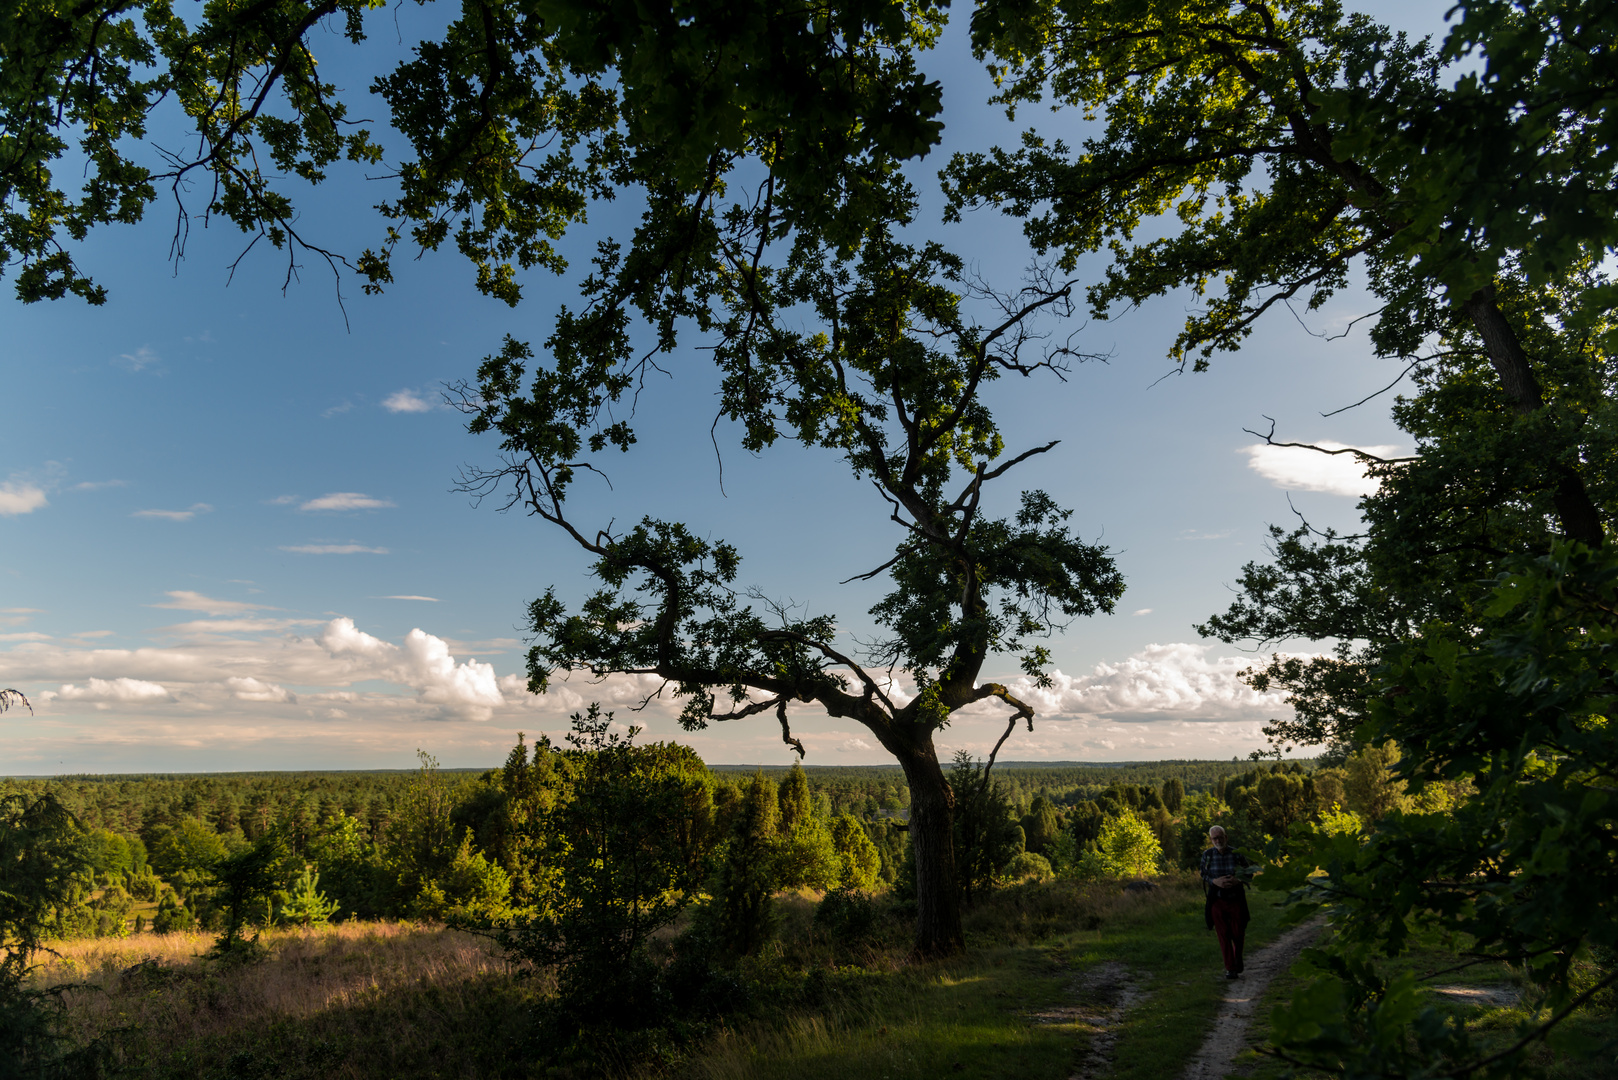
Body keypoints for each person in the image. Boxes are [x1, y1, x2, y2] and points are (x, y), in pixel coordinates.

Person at [1200, 825, 1252, 980]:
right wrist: (1215, 881)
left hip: (1235, 898)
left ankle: (1237, 960)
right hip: (1217, 899)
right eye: (1214, 838)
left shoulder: (1237, 854)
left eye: (1220, 837)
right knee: (1223, 934)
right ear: (1211, 840)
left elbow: (1249, 873)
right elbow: (1203, 874)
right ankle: (1230, 968)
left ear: (1226, 837)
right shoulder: (1207, 855)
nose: (1218, 840)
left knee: (1238, 932)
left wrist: (1237, 880)